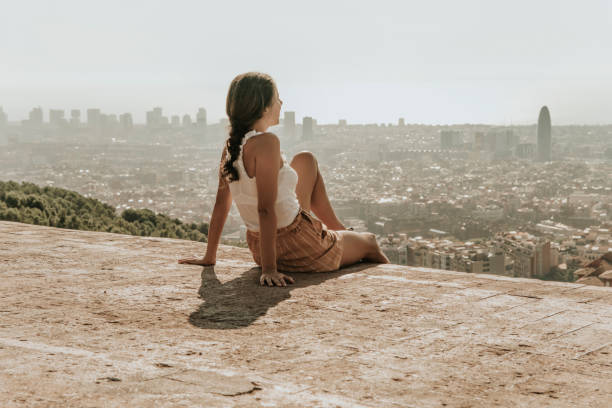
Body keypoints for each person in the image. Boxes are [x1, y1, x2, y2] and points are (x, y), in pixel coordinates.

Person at [179, 72, 389, 286]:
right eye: (277, 98)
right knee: (370, 241)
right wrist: (270, 270)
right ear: (264, 108)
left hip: (260, 246)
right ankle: (343, 243)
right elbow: (265, 209)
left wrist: (210, 257)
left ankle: (338, 230)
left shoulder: (231, 148)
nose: (281, 102)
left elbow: (221, 205)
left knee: (306, 160)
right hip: (301, 245)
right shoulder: (267, 143)